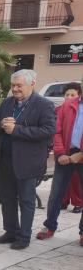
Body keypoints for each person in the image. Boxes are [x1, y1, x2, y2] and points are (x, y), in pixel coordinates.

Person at [0, 69, 56, 250]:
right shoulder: (7, 102)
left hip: (28, 162)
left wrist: (17, 130)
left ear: (32, 84)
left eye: (19, 85)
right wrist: (1, 125)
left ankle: (24, 236)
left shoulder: (44, 105)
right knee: (7, 198)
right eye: (13, 85)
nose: (15, 89)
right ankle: (10, 231)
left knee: (26, 201)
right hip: (5, 160)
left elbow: (48, 131)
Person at [35, 78, 83, 245]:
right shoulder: (67, 106)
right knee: (55, 194)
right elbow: (57, 131)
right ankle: (49, 226)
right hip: (65, 154)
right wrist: (61, 152)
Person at [58, 83, 83, 214]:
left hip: (79, 151)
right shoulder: (60, 109)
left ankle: (78, 202)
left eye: (72, 95)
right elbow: (57, 130)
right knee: (63, 179)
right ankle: (64, 200)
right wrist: (60, 150)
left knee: (76, 179)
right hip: (65, 149)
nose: (69, 97)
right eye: (66, 95)